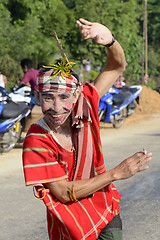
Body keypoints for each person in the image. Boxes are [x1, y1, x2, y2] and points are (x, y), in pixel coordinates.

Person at [22, 19, 152, 240]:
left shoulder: (86, 104)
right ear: (37, 98)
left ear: (76, 95)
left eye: (64, 97)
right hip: (70, 226)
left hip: (106, 211)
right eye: (48, 98)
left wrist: (109, 40)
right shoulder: (37, 139)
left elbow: (116, 66)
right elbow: (63, 193)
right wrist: (115, 173)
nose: (56, 108)